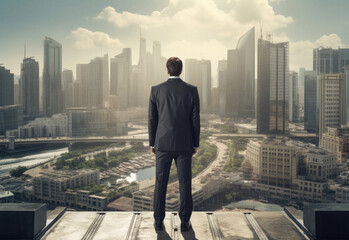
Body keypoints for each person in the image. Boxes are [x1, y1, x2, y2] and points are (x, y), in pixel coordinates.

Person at [148, 57, 200, 232]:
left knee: (160, 183)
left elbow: (152, 119)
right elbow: (195, 120)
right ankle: (185, 222)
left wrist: (152, 142)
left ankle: (157, 222)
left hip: (162, 144)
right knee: (185, 183)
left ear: (167, 70)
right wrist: (195, 143)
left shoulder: (156, 90)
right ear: (181, 70)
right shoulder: (192, 91)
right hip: (184, 144)